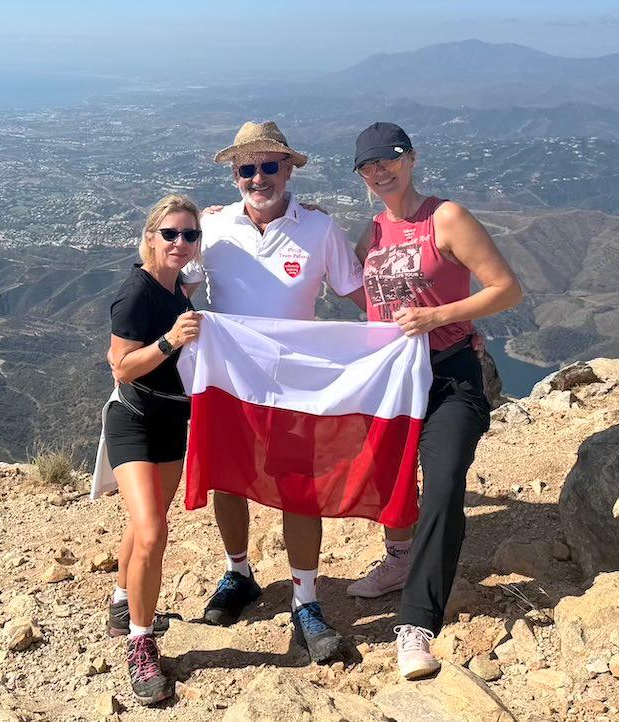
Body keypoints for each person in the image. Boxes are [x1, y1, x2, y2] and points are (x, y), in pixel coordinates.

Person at [182, 121, 368, 665]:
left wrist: (418, 332)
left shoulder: (319, 230)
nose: (258, 177)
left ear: (289, 169)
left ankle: (305, 600)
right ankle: (238, 572)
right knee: (229, 478)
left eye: (269, 166)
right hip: (230, 379)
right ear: (235, 175)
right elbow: (177, 287)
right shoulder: (210, 228)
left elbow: (360, 295)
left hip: (295, 384)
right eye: (247, 168)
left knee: (299, 488)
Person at [346, 122, 523, 679]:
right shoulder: (370, 233)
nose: (380, 172)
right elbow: (367, 300)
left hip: (451, 377)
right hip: (395, 382)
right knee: (392, 482)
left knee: (443, 484)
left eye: (389, 160)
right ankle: (400, 562)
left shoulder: (444, 218)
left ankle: (416, 625)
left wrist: (440, 318)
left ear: (411, 159)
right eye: (368, 166)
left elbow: (506, 288)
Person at [104, 194, 203, 705]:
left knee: (146, 525)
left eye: (190, 235)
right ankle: (140, 645)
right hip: (135, 421)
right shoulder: (137, 292)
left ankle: (123, 603)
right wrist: (169, 342)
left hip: (171, 423)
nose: (181, 243)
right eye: (171, 233)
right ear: (150, 236)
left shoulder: (177, 290)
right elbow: (120, 366)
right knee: (152, 531)